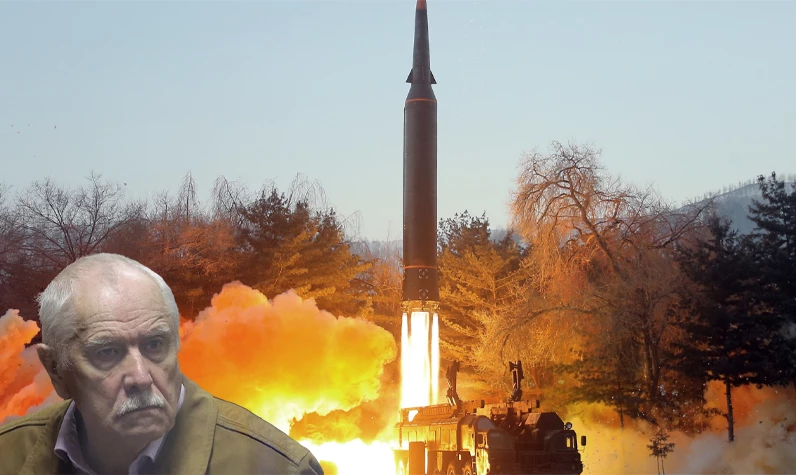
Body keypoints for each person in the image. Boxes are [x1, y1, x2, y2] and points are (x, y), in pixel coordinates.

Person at [0, 253, 323, 475]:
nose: (141, 377)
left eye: (155, 345)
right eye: (107, 352)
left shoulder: (278, 468)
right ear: (55, 369)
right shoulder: (7, 454)